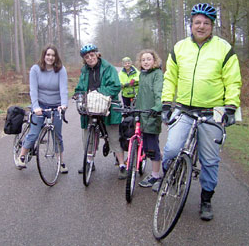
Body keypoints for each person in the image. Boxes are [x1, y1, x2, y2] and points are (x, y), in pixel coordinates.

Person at [158, 3, 242, 221]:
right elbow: (170, 78)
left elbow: (232, 80)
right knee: (171, 149)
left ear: (212, 26)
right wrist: (167, 103)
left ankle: (206, 199)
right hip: (184, 109)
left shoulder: (224, 49)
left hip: (211, 111)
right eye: (198, 22)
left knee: (210, 160)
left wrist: (231, 107)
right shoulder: (179, 48)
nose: (201, 26)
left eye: (206, 23)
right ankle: (169, 178)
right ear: (191, 24)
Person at [74, 44, 127, 179]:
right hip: (91, 107)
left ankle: (121, 165)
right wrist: (78, 94)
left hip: (108, 105)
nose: (90, 58)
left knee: (114, 136)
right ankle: (89, 161)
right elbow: (80, 86)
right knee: (87, 135)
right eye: (87, 57)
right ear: (84, 59)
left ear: (97, 54)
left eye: (92, 55)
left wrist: (98, 92)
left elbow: (115, 86)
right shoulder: (84, 70)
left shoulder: (108, 68)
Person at [16, 44, 69, 173]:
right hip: (40, 105)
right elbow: (33, 90)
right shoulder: (35, 69)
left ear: (56, 57)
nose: (50, 57)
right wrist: (35, 107)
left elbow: (63, 90)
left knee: (57, 135)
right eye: (48, 55)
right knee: (34, 132)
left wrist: (63, 105)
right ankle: (22, 156)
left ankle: (60, 161)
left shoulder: (61, 70)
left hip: (56, 106)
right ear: (44, 56)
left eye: (53, 55)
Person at [131, 49, 163, 188]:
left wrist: (157, 107)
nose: (146, 62)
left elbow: (158, 91)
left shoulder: (157, 74)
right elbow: (141, 94)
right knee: (143, 142)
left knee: (152, 147)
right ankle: (139, 160)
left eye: (149, 59)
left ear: (154, 61)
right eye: (143, 60)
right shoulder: (142, 75)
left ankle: (156, 176)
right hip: (142, 113)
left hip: (152, 114)